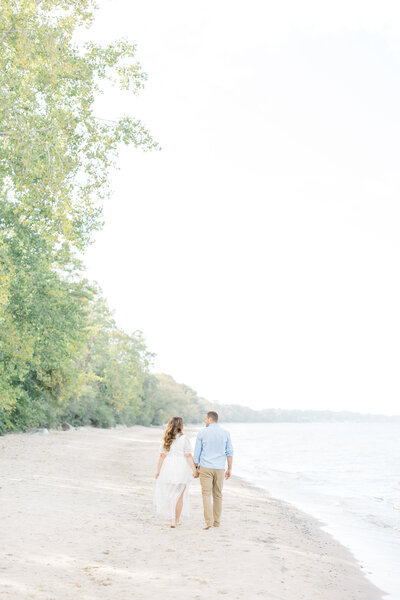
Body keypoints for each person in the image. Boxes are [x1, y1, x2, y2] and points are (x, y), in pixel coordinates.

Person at [154, 416, 198, 528]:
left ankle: (172, 519)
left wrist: (158, 471)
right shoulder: (184, 438)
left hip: (168, 466)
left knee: (170, 494)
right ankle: (177, 520)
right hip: (181, 467)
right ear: (181, 426)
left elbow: (162, 456)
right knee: (180, 496)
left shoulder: (166, 438)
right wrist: (194, 470)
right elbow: (188, 455)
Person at [193, 411, 233, 530]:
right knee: (218, 495)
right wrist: (229, 468)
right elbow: (230, 452)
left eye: (206, 419)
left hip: (206, 467)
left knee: (206, 494)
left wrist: (195, 468)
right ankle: (217, 522)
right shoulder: (226, 433)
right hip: (220, 468)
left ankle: (208, 522)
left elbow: (197, 453)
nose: (205, 421)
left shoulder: (202, 432)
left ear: (210, 419)